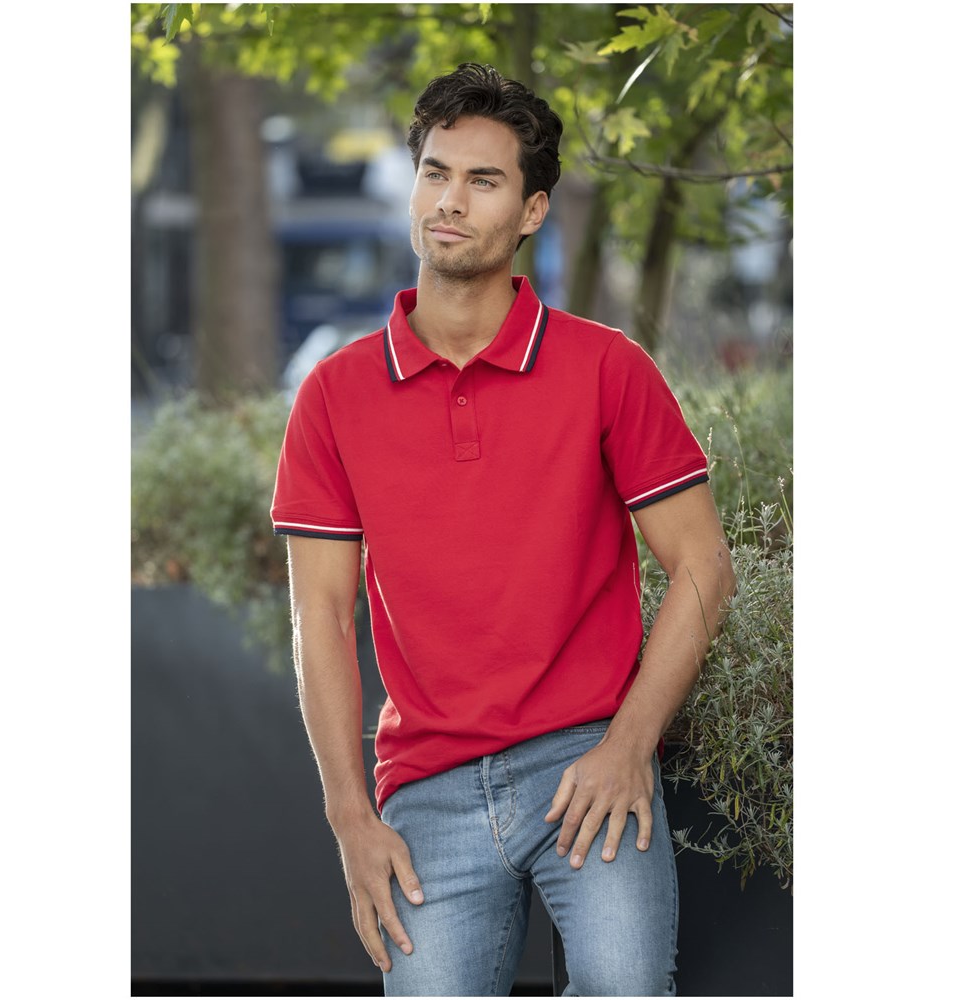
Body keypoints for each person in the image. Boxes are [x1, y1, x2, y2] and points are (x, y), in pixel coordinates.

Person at [271, 62, 736, 997]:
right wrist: (350, 819)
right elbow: (319, 615)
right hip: (428, 782)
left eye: (483, 181)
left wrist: (628, 745)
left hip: (585, 757)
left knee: (626, 988)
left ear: (531, 211)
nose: (450, 200)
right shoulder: (333, 394)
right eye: (435, 173)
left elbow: (703, 566)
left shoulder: (607, 369)